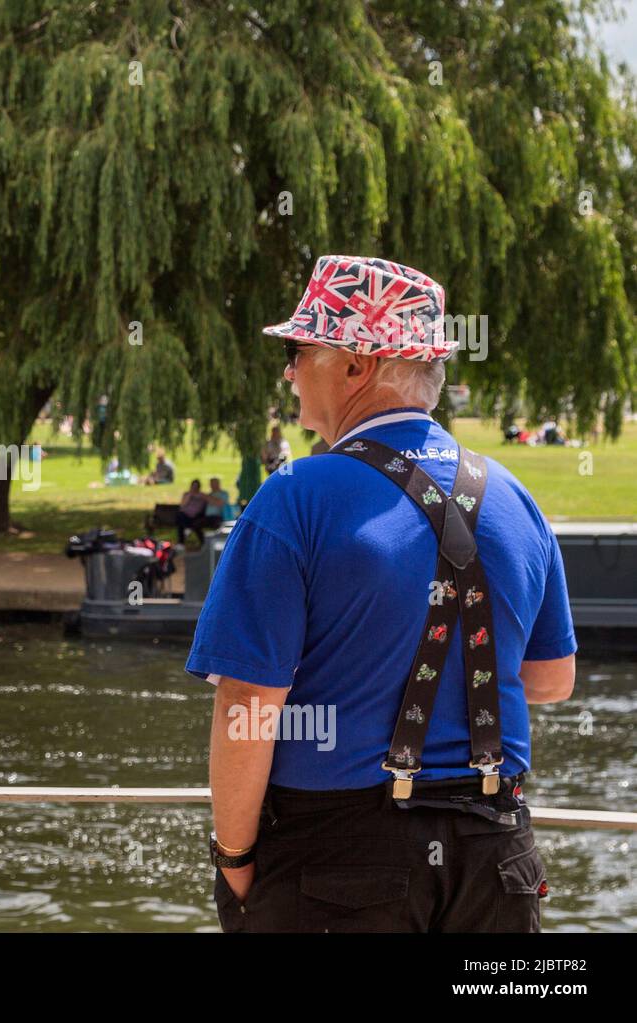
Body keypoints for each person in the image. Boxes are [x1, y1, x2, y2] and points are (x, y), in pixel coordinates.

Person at [189, 255, 575, 934]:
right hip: (498, 860)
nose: (287, 369)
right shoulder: (516, 498)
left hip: (338, 865)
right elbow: (550, 679)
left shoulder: (293, 499)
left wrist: (236, 858)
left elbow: (248, 707)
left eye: (296, 349)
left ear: (355, 365)